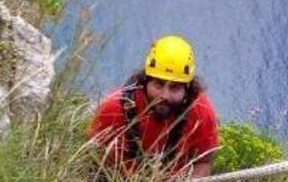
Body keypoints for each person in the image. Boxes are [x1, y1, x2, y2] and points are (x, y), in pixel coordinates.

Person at [88, 35, 219, 179]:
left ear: (187, 88)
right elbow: (94, 156)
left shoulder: (201, 112)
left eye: (174, 88)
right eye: (158, 84)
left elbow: (203, 162)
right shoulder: (114, 108)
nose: (165, 95)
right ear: (145, 80)